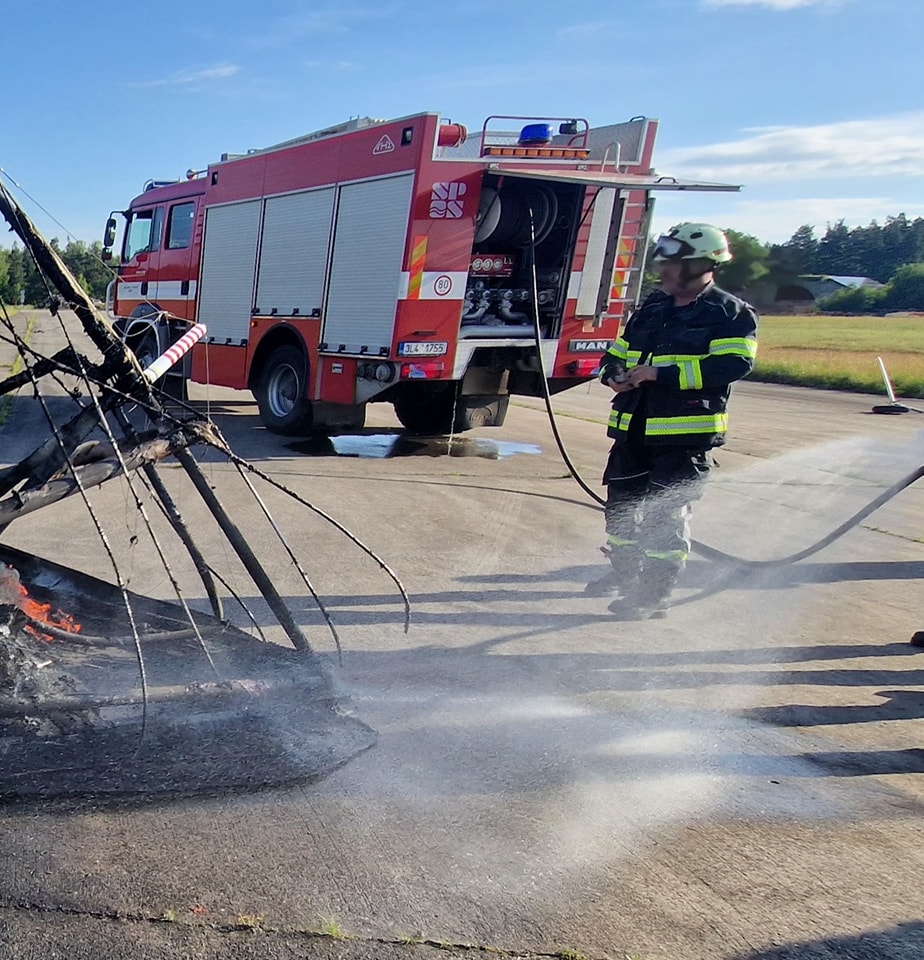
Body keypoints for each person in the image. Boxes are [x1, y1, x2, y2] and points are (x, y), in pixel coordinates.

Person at [585, 222, 759, 619]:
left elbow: (734, 364)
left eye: (673, 263)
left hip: (685, 436)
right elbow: (619, 352)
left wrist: (663, 374)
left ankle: (653, 595)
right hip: (634, 429)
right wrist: (612, 374)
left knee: (665, 519)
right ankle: (627, 579)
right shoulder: (652, 307)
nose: (662, 270)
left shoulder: (729, 313)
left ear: (701, 264)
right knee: (620, 511)